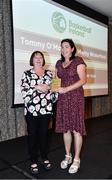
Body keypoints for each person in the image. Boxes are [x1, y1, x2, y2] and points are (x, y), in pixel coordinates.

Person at [55, 39, 87, 174]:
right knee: (65, 129)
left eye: (67, 46)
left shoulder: (78, 61)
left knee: (76, 129)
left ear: (72, 49)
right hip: (63, 99)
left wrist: (66, 89)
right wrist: (51, 87)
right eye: (62, 47)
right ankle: (68, 156)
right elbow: (55, 80)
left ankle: (77, 159)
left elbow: (83, 80)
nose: (64, 49)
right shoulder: (58, 63)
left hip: (75, 98)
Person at [21, 51, 53, 174]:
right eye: (36, 57)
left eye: (41, 57)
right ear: (32, 60)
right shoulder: (27, 74)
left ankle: (44, 157)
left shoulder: (49, 74)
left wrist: (49, 89)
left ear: (43, 60)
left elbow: (54, 93)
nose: (38, 59)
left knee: (44, 135)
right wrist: (37, 87)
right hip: (31, 111)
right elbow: (24, 92)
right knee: (33, 135)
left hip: (46, 110)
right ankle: (33, 160)